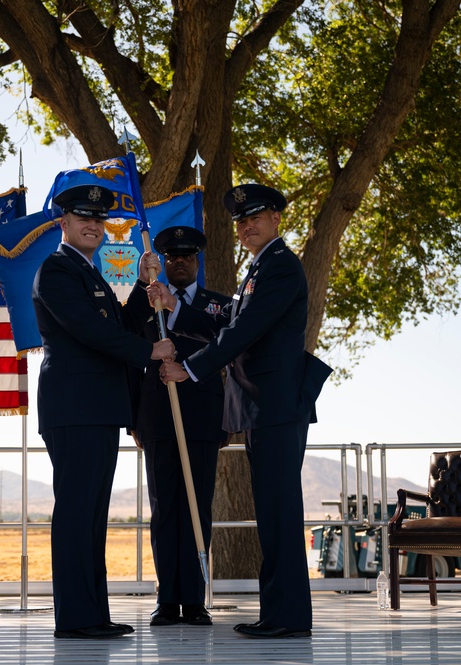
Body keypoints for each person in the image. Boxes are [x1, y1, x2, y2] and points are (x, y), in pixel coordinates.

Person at [148, 184, 332, 639]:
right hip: (260, 405)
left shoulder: (282, 267)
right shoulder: (261, 268)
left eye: (256, 217)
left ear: (276, 220)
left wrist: (190, 369)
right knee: (271, 510)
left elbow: (244, 329)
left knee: (279, 511)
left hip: (275, 404)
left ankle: (287, 616)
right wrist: (176, 306)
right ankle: (278, 612)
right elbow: (229, 313)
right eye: (241, 221)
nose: (247, 226)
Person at [32, 183, 175, 640]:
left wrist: (139, 281)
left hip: (96, 408)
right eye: (83, 218)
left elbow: (119, 321)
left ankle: (91, 613)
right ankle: (76, 617)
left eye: (98, 220)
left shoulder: (88, 273)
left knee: (92, 514)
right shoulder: (56, 270)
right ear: (64, 223)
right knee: (77, 512)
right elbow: (91, 332)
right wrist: (151, 352)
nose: (92, 225)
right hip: (74, 408)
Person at [124, 226, 230, 627]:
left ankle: (194, 600)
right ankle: (168, 598)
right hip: (158, 417)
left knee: (197, 508)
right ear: (164, 263)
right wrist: (134, 418)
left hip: (203, 417)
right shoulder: (146, 302)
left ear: (198, 262)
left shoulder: (218, 306)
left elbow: (228, 350)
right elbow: (129, 354)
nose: (180, 261)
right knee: (164, 509)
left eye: (187, 256)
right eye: (172, 257)